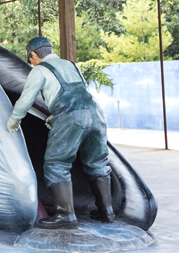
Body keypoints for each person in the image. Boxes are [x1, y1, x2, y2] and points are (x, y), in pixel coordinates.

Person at [7, 37, 115, 229]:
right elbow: (79, 94)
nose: (31, 62)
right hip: (96, 115)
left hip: (71, 116)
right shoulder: (71, 65)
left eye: (30, 59)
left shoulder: (39, 70)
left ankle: (66, 215)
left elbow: (26, 99)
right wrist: (56, 115)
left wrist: (14, 119)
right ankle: (107, 212)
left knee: (56, 164)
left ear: (34, 55)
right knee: (97, 162)